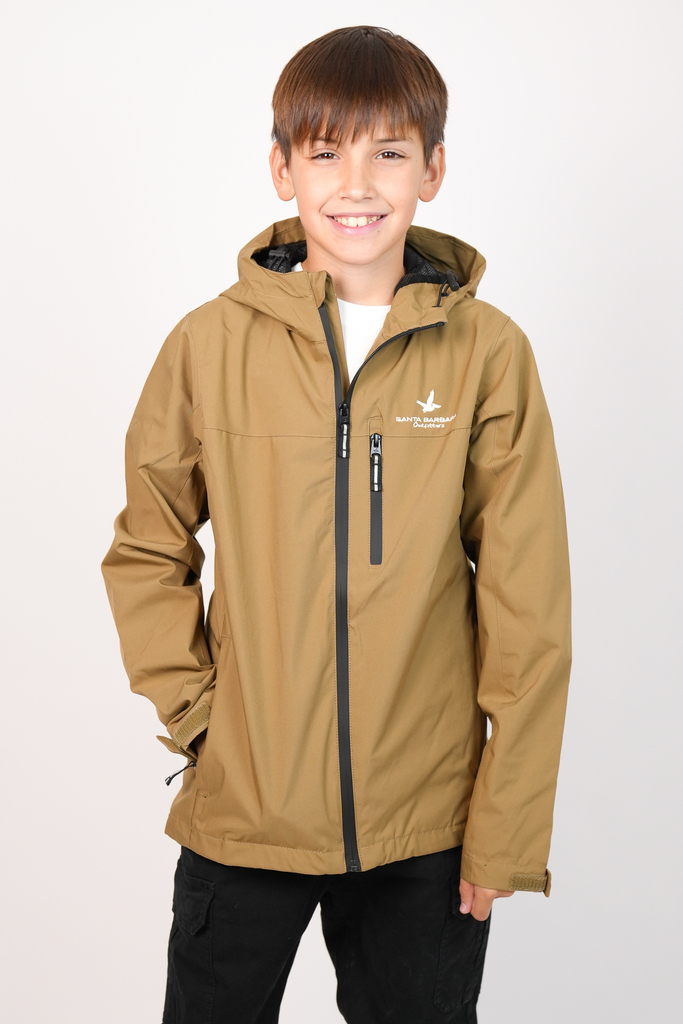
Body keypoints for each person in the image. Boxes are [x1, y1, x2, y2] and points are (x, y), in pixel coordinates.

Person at [101, 24, 572, 1024]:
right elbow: (146, 547)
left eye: (388, 151)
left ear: (432, 169)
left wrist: (503, 827)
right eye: (325, 151)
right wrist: (202, 718)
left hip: (425, 828)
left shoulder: (486, 355)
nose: (356, 183)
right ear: (282, 168)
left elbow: (527, 607)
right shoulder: (206, 345)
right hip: (246, 814)